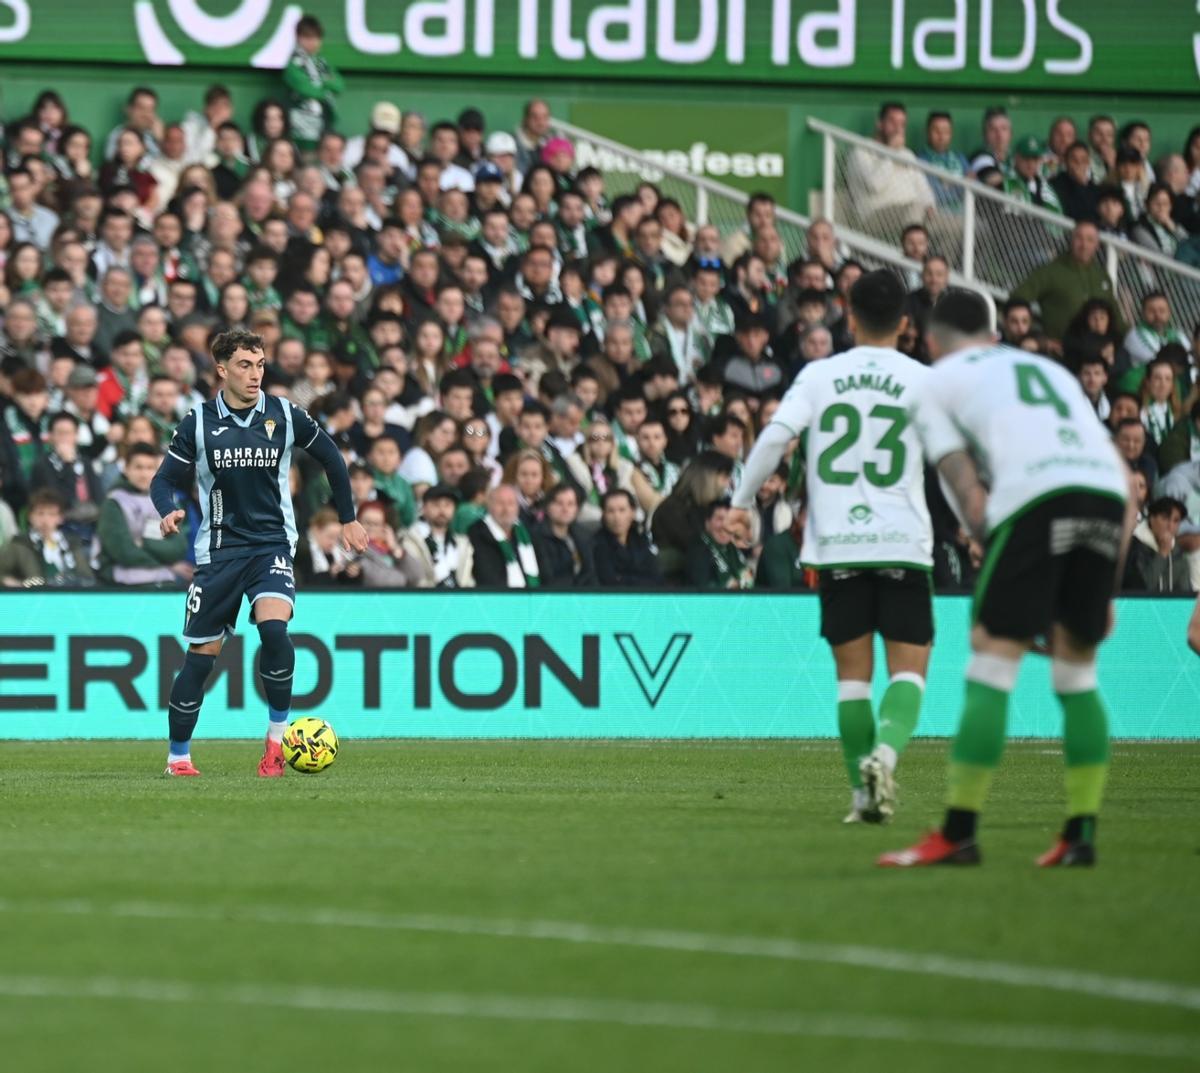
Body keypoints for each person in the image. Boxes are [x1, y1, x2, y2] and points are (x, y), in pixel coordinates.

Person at [880, 290, 1132, 868]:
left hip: (1035, 500)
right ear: (994, 337)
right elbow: (1121, 475)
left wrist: (1002, 559)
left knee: (992, 657)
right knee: (1077, 673)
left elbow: (968, 490)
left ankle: (959, 833)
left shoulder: (934, 384)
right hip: (1103, 501)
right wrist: (1107, 584)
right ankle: (1080, 834)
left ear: (933, 343)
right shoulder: (1051, 370)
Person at [728, 270, 933, 824]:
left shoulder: (820, 375)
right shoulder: (922, 380)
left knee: (851, 681)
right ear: (906, 323)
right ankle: (885, 757)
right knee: (909, 675)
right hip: (902, 544)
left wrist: (742, 501)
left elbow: (775, 437)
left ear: (847, 312)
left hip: (838, 546)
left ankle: (861, 798)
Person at [149, 330, 367, 778]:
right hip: (219, 554)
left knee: (274, 631)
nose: (255, 374)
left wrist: (347, 517)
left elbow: (332, 459)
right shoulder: (197, 422)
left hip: (271, 545)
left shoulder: (286, 414)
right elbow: (162, 480)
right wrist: (168, 510)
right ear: (222, 369)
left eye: (261, 364)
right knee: (199, 659)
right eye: (245, 365)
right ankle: (178, 757)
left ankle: (275, 744)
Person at [1010, 221, 1123, 342]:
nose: (1084, 245)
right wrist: (1039, 339)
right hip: (1059, 351)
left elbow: (1116, 318)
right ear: (1071, 240)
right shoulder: (1050, 271)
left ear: (1097, 245)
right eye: (1079, 238)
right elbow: (1017, 299)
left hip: (1097, 353)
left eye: (1090, 240)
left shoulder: (1102, 276)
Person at [0, 489, 94, 587]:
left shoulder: (71, 543)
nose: (45, 520)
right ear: (30, 516)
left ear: (60, 518)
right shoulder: (19, 544)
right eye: (40, 513)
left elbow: (87, 578)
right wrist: (19, 585)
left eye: (51, 514)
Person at [282, 15, 343, 152]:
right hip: (300, 123)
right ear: (298, 38)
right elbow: (308, 90)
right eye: (307, 38)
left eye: (316, 38)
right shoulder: (294, 63)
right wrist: (325, 83)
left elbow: (339, 85)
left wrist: (319, 83)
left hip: (323, 121)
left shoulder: (322, 63)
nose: (313, 42)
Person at [468, 483, 543, 588]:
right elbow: (486, 576)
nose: (506, 509)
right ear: (489, 505)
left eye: (511, 503)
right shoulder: (477, 532)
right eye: (500, 503)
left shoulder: (526, 532)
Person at [401, 483, 475, 588]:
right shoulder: (410, 539)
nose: (442, 510)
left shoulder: (463, 543)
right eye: (436, 504)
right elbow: (415, 579)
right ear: (424, 508)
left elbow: (467, 580)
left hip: (460, 601)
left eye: (447, 505)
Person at [591, 489, 661, 587]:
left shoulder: (640, 538)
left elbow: (655, 576)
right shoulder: (596, 544)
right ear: (604, 514)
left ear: (632, 513)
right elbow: (610, 581)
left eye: (622, 510)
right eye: (611, 511)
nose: (617, 517)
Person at [1123, 496, 1192, 594]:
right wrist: (1162, 553)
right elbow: (1140, 589)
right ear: (1151, 518)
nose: (1170, 526)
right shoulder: (1133, 547)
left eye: (1176, 521)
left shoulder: (1178, 554)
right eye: (1165, 518)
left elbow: (1186, 595)